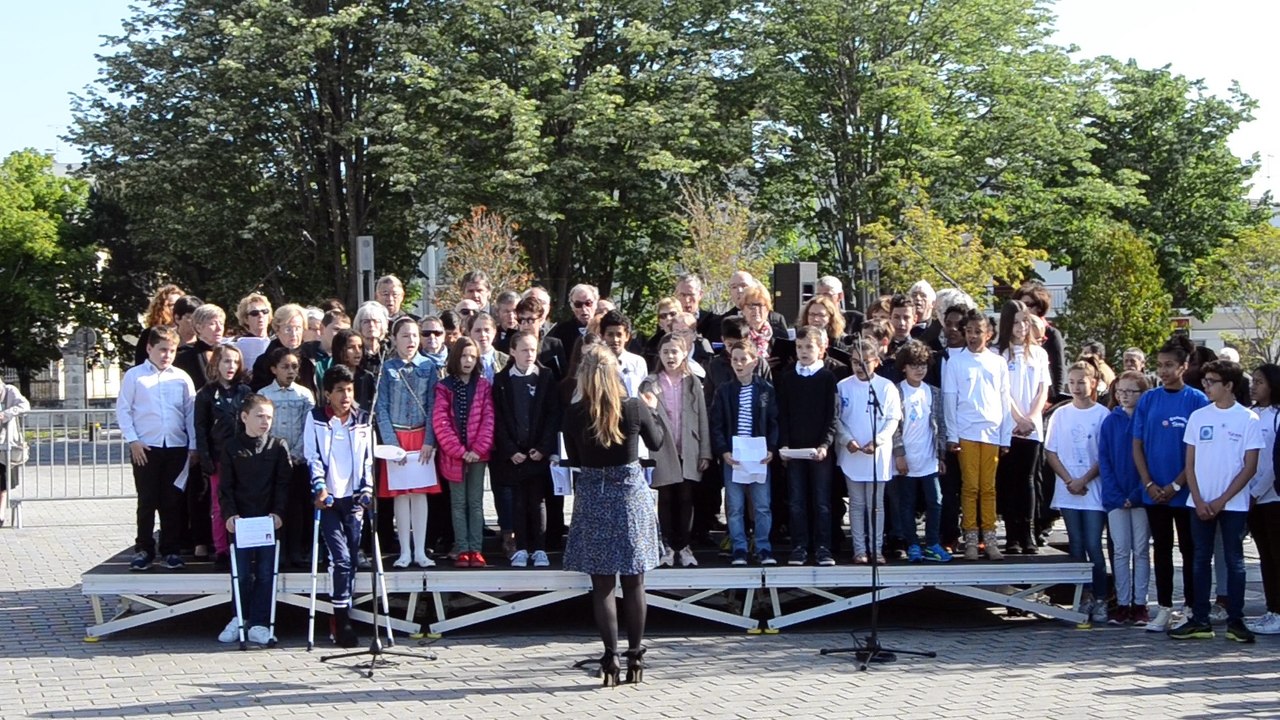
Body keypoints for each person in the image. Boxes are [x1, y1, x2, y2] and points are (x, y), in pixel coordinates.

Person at [561, 344, 665, 686]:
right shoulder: (634, 406)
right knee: (635, 581)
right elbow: (658, 441)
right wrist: (655, 409)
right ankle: (635, 655)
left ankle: (610, 656)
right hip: (630, 494)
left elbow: (574, 458)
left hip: (593, 495)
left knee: (602, 584)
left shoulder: (574, 414)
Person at [1170, 360, 1263, 644]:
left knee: (1234, 560)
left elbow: (1249, 467)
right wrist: (1198, 499)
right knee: (1199, 559)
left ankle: (1236, 621)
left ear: (1229, 386)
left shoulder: (1248, 419)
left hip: (1232, 504)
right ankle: (1199, 619)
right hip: (1198, 502)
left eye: (1212, 381)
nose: (1206, 386)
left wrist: (1221, 500)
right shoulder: (1199, 417)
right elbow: (1190, 462)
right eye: (1205, 381)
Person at [1132, 335, 1208, 632]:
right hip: (1154, 492)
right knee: (1161, 549)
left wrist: (1177, 484)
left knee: (1189, 550)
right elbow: (1137, 444)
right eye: (1159, 365)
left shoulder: (1197, 400)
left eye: (1169, 365)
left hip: (1186, 492)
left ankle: (1190, 607)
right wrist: (1149, 483)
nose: (1163, 371)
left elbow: (1198, 451)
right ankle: (1164, 608)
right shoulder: (1149, 399)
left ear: (1184, 366)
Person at [303, 365, 375, 649]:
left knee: (351, 562)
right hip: (330, 499)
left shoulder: (363, 419)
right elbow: (313, 456)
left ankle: (343, 613)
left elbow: (369, 458)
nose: (346, 396)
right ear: (328, 393)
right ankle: (341, 621)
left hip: (354, 500)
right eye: (340, 391)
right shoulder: (317, 418)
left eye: (349, 390)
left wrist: (367, 489)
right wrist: (320, 487)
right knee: (341, 559)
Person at [116, 326, 198, 571]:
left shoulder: (181, 377)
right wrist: (133, 440)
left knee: (172, 500)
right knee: (147, 499)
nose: (166, 355)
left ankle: (171, 549)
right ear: (150, 348)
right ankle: (144, 548)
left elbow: (190, 413)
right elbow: (124, 409)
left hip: (175, 446)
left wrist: (193, 446)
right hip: (146, 447)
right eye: (162, 350)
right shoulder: (135, 376)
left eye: (171, 351)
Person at [215, 393, 290, 646]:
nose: (264, 421)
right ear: (244, 416)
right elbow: (225, 486)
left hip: (269, 521)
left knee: (266, 573)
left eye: (269, 417)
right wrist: (229, 515)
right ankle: (239, 619)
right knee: (242, 573)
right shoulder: (231, 447)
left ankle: (260, 622)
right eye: (259, 416)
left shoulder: (278, 446)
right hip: (241, 520)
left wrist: (279, 512)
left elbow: (283, 484)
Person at [1045, 359, 1111, 624]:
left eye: (1081, 382)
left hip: (1092, 488)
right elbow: (1051, 452)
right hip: (1068, 488)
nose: (1076, 387)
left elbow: (1104, 455)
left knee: (1094, 545)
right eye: (1071, 383)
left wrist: (1084, 479)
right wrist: (1069, 480)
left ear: (1093, 383)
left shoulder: (1102, 415)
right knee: (1076, 545)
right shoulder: (1061, 414)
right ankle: (1081, 598)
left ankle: (1101, 598)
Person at [942, 309, 1011, 561]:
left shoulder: (998, 362)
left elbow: (1005, 399)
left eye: (977, 332)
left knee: (988, 488)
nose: (972, 336)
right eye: (969, 331)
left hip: (991, 431)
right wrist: (952, 434)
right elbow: (950, 400)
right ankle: (971, 538)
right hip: (966, 431)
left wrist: (1006, 437)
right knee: (970, 487)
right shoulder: (956, 362)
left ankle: (990, 538)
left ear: (989, 335)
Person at [641, 334, 712, 568]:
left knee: (686, 496)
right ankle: (668, 546)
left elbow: (702, 417)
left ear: (684, 354)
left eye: (675, 352)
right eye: (665, 352)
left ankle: (685, 545)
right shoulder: (650, 382)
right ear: (659, 355)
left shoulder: (692, 382)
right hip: (662, 448)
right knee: (666, 497)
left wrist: (705, 452)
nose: (670, 356)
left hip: (688, 446)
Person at [374, 317, 440, 569]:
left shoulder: (429, 366)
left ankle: (421, 550)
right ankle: (404, 551)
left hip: (421, 436)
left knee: (420, 494)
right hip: (398, 436)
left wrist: (429, 441)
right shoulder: (387, 368)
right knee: (401, 496)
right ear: (394, 339)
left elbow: (434, 406)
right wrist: (391, 444)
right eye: (405, 335)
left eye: (414, 335)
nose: (411, 340)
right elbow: (381, 407)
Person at [492, 330, 561, 568]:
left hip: (537, 452)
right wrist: (510, 450)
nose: (529, 354)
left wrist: (543, 447)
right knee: (518, 501)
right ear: (512, 352)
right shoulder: (502, 380)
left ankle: (539, 548)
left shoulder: (546, 376)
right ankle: (521, 547)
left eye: (533, 349)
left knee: (538, 500)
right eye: (524, 350)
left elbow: (553, 415)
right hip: (514, 454)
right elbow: (498, 418)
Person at [710, 341, 779, 566]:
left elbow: (773, 422)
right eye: (735, 359)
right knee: (735, 504)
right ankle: (738, 547)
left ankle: (763, 546)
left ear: (755, 362)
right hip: (735, 456)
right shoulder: (724, 390)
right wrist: (723, 451)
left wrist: (772, 448)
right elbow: (717, 424)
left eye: (743, 359)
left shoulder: (766, 390)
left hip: (759, 455)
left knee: (762, 504)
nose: (739, 364)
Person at [776, 327, 840, 566]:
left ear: (821, 349)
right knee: (796, 500)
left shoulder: (827, 378)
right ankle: (799, 546)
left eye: (809, 347)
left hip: (819, 451)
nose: (804, 352)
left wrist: (825, 444)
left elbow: (831, 416)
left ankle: (823, 547)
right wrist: (783, 444)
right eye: (800, 347)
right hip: (794, 450)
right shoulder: (788, 377)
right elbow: (783, 414)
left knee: (822, 501)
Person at [837, 338, 902, 564]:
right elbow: (837, 419)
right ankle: (859, 549)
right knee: (856, 504)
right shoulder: (843, 386)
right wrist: (847, 440)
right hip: (853, 453)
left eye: (865, 362)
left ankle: (876, 549)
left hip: (877, 454)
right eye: (855, 362)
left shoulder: (885, 387)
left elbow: (893, 418)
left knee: (876, 504)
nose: (859, 367)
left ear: (876, 361)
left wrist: (879, 440)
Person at [994, 300, 1050, 554]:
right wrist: (1018, 418)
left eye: (1025, 322)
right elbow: (1002, 392)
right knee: (1008, 479)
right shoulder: (998, 354)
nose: (1021, 327)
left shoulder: (1039, 353)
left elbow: (1042, 389)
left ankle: (1027, 531)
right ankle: (1012, 535)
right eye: (1016, 322)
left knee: (1027, 479)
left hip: (1032, 425)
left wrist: (1031, 417)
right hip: (1008, 425)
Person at [433, 336, 495, 568]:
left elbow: (488, 419)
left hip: (479, 455)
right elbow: (441, 422)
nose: (468, 361)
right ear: (455, 358)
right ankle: (462, 547)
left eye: (472, 356)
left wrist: (477, 449)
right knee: (458, 503)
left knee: (475, 502)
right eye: (463, 356)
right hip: (453, 456)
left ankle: (476, 549)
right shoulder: (444, 386)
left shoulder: (483, 385)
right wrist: (459, 451)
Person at [1099, 370, 1152, 626]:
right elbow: (1105, 461)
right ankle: (1122, 602)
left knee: (1141, 550)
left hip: (1142, 496)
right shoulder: (1110, 421)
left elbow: (1150, 461)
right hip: (1115, 497)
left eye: (1132, 391)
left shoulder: (1147, 420)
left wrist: (1137, 493)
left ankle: (1140, 603)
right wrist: (1118, 495)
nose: (1125, 397)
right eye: (1121, 391)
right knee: (1120, 551)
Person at [194, 345, 253, 567]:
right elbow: (200, 428)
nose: (231, 367)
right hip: (218, 456)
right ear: (216, 363)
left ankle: (244, 545)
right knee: (219, 505)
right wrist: (205, 458)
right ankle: (221, 550)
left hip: (243, 456)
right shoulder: (206, 394)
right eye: (226, 361)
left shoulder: (245, 392)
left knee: (245, 502)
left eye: (235, 362)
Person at [892, 340, 951, 563]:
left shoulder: (933, 393)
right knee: (906, 504)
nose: (919, 369)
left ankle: (933, 542)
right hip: (906, 459)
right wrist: (899, 454)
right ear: (904, 367)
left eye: (923, 365)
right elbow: (895, 427)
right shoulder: (897, 391)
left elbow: (940, 425)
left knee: (935, 500)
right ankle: (912, 544)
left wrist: (941, 455)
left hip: (929, 459)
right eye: (914, 365)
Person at [257, 346, 315, 567]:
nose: (290, 371)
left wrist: (298, 452)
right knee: (275, 505)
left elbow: (308, 427)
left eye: (294, 367)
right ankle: (276, 549)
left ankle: (296, 550)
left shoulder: (304, 394)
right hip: (273, 460)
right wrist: (275, 455)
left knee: (297, 506)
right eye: (285, 367)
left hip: (298, 460)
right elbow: (263, 428)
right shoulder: (264, 394)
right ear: (273, 369)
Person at [1246, 364, 1280, 635]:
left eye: (1259, 381)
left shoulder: (1277, 417)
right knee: (1265, 557)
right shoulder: (1250, 415)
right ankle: (1272, 609)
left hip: (1272, 498)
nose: (1254, 386)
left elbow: (1272, 462)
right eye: (1252, 381)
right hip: (1251, 498)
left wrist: (1257, 492)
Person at [1014, 281, 1068, 402]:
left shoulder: (1051, 334)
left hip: (1044, 398)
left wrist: (1054, 398)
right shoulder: (1013, 334)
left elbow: (1057, 369)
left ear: (1039, 307)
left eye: (1027, 304)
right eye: (1019, 305)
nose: (1022, 309)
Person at [250, 304, 317, 395]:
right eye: (288, 329)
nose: (293, 334)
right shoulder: (265, 361)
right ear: (277, 330)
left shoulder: (310, 357)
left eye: (298, 328)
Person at [0, 377, 31, 526]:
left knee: (3, 482)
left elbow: (25, 405)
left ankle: (0, 515)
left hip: (6, 443)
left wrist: (6, 413)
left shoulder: (10, 391)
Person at [174, 304, 226, 392]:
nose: (219, 328)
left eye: (221, 323)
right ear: (198, 328)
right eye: (212, 323)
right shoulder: (184, 356)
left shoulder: (229, 353)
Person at [515, 295, 567, 380]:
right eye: (521, 320)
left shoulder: (554, 345)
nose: (525, 325)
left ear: (540, 320)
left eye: (530, 320)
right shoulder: (507, 345)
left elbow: (563, 375)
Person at [598, 310, 648, 398]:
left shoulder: (637, 362)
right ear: (602, 336)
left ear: (627, 336)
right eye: (610, 335)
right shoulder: (596, 362)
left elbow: (643, 393)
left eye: (619, 334)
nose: (615, 340)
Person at [134, 283, 184, 367]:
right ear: (162, 307)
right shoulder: (149, 333)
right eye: (172, 305)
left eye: (180, 304)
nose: (177, 308)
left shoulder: (188, 333)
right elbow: (140, 363)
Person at [329, 329, 376, 410]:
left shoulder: (366, 377)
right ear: (340, 350)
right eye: (351, 347)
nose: (358, 351)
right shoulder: (331, 376)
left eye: (360, 347)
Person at [548, 283, 599, 356]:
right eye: (578, 304)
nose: (584, 309)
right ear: (572, 306)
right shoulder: (561, 331)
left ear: (596, 304)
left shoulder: (604, 328)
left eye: (588, 303)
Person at [233, 293, 274, 370]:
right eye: (254, 313)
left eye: (265, 311)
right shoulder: (238, 346)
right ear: (246, 319)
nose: (261, 315)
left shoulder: (277, 344)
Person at [467, 312, 509, 384]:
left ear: (494, 332)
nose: (483, 334)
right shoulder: (464, 361)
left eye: (487, 330)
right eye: (478, 331)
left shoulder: (506, 360)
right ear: (469, 333)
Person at [353, 301, 390, 377]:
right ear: (359, 325)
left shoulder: (389, 350)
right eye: (366, 322)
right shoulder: (355, 351)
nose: (371, 325)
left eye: (376, 321)